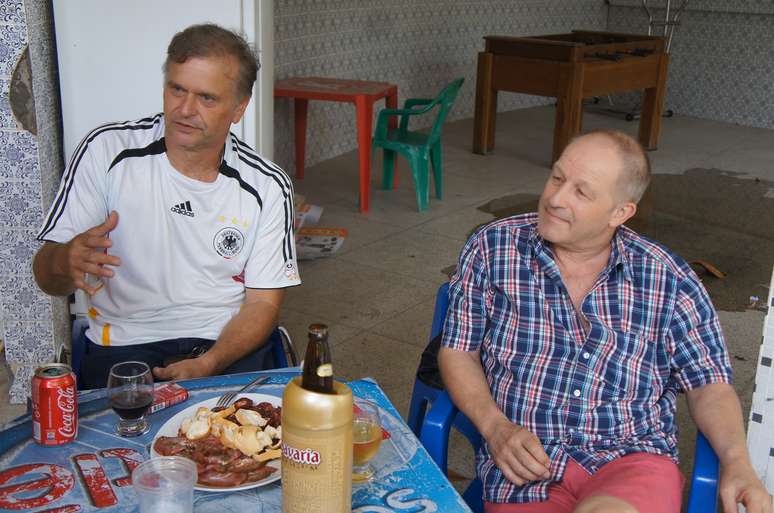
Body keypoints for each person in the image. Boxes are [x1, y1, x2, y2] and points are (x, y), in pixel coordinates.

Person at [439, 130, 771, 513]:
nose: (555, 199)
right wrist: (494, 426)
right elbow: (459, 351)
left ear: (620, 212)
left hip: (631, 458)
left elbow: (709, 387)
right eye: (557, 178)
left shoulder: (669, 279)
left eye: (582, 192)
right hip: (525, 461)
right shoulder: (493, 247)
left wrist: (738, 463)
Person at [33, 24, 299, 389]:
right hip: (123, 342)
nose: (185, 110)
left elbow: (263, 305)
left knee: (250, 437)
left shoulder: (267, 186)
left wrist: (209, 363)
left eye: (206, 98)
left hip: (224, 344)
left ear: (239, 108)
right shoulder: (107, 152)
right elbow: (45, 276)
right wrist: (66, 261)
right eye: (177, 89)